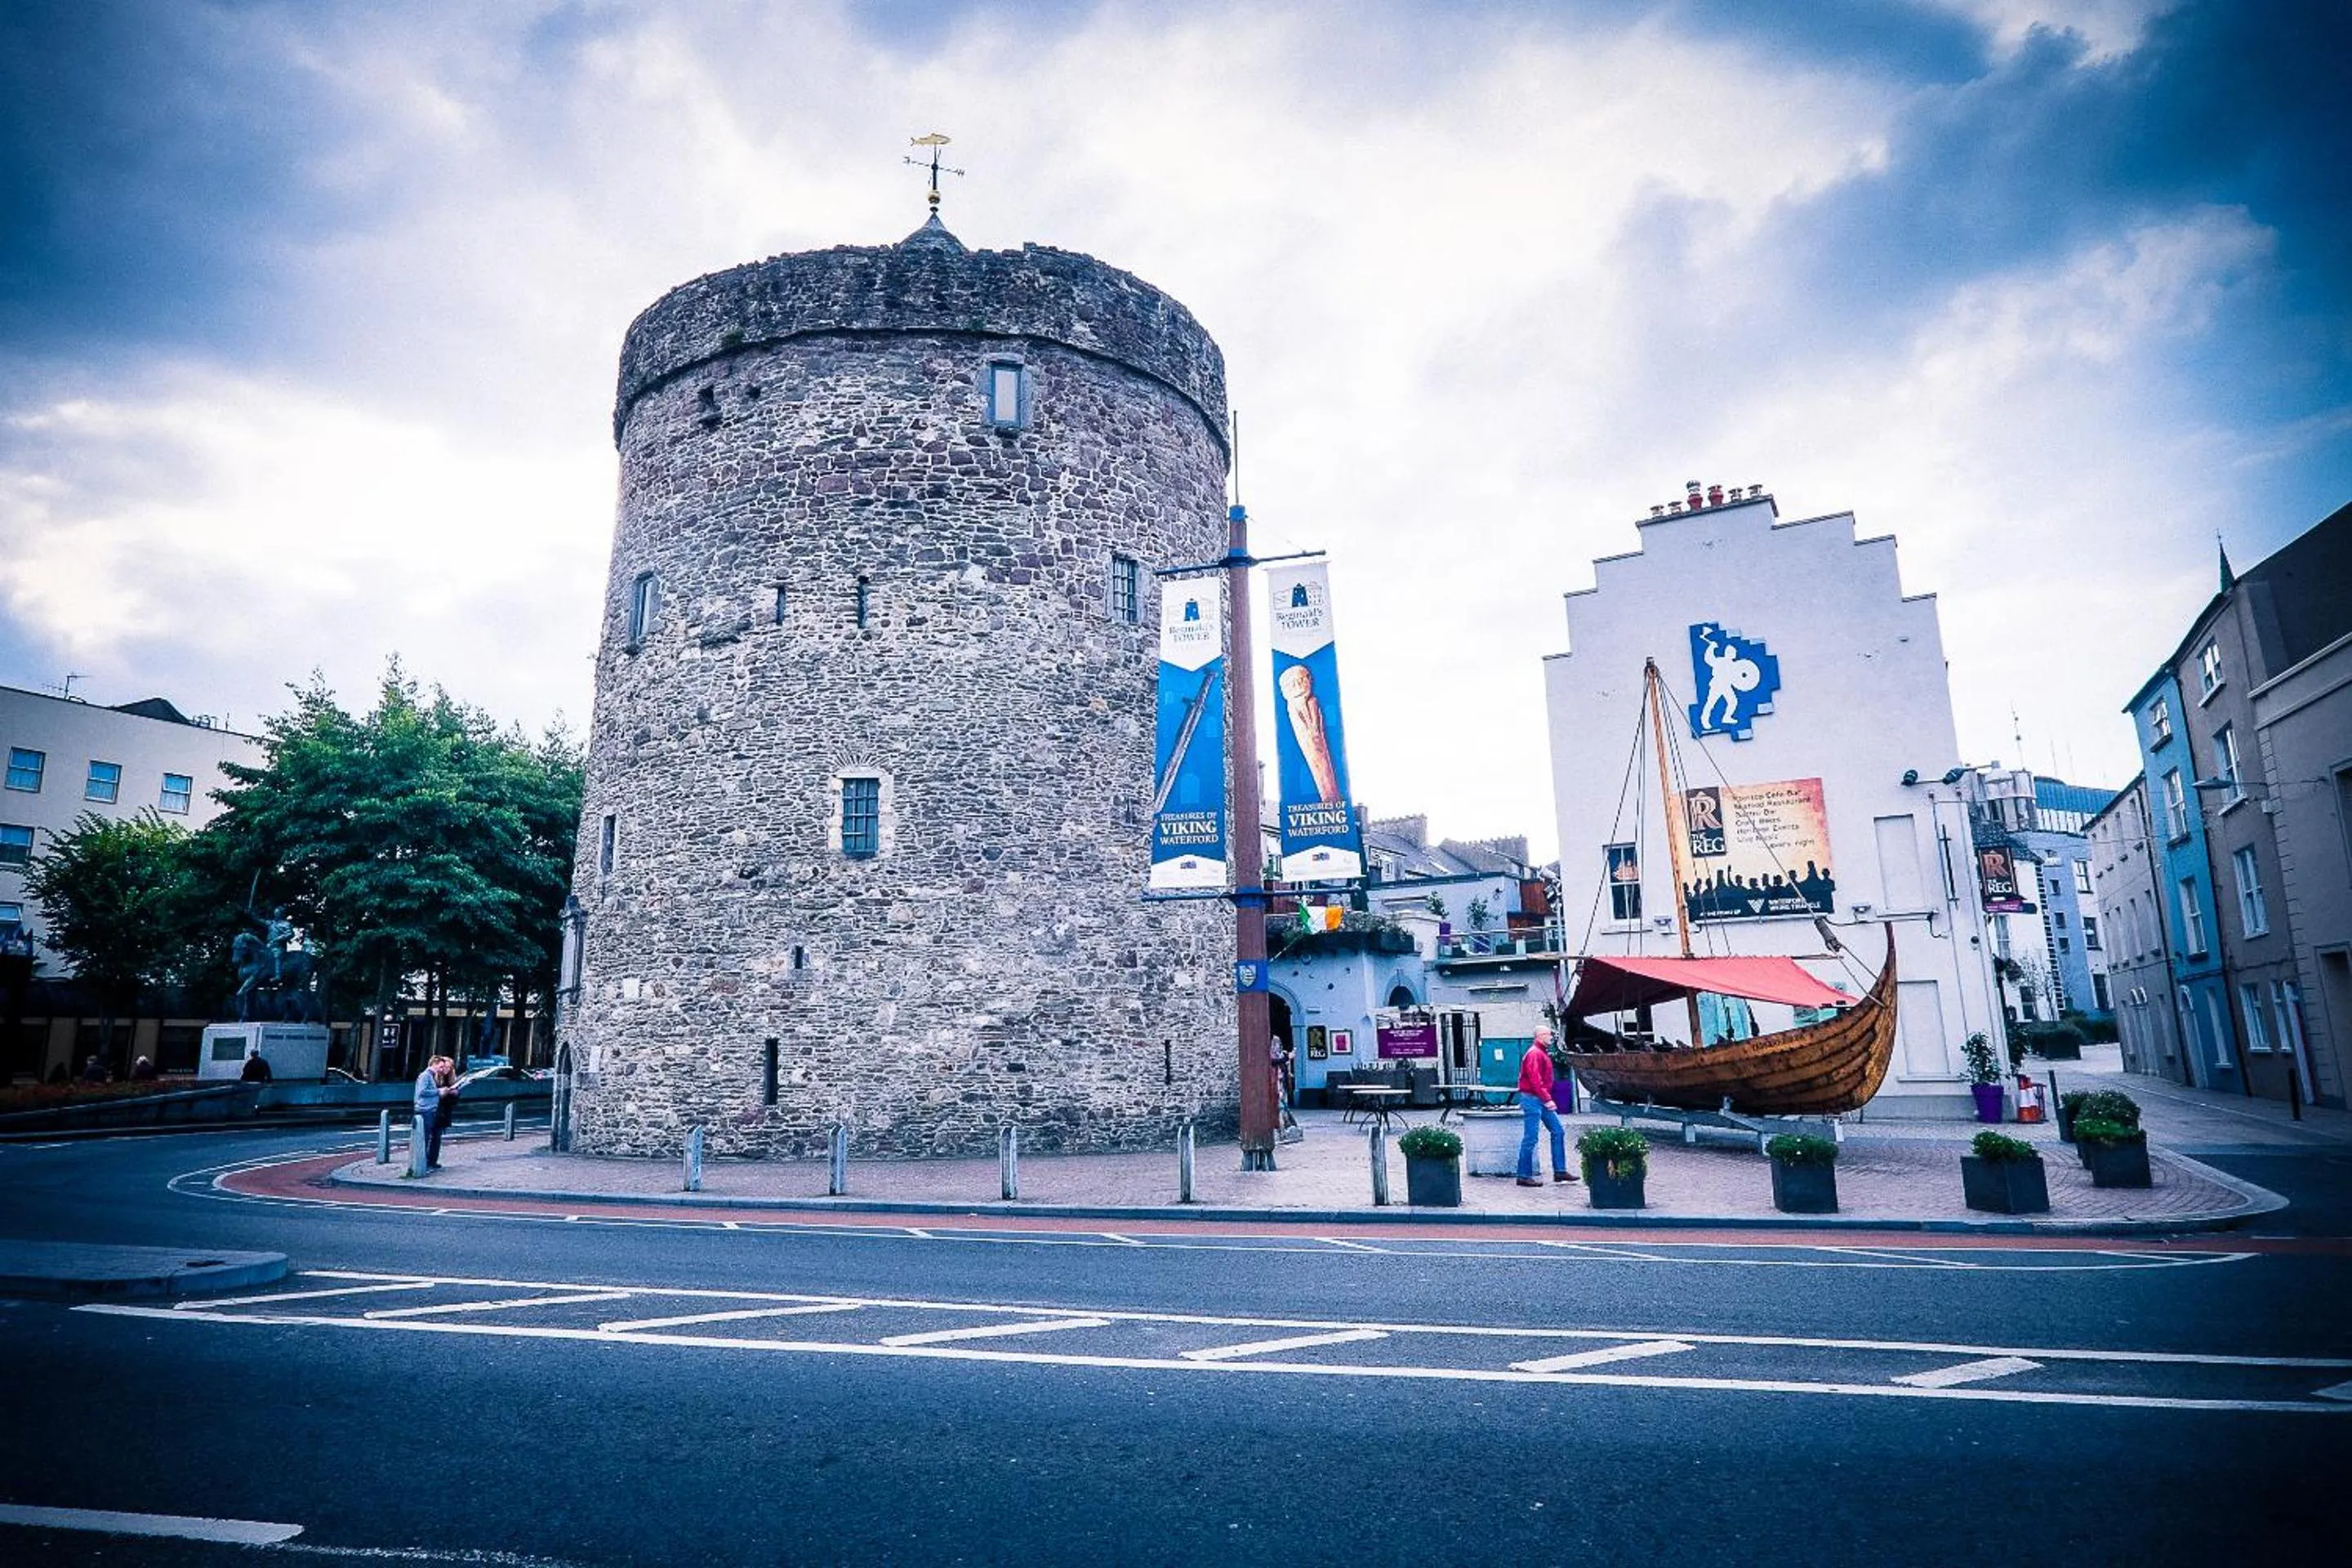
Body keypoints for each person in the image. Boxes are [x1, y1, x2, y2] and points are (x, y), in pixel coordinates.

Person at [1516, 1028, 1574, 1187]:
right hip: (1534, 1099)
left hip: (1537, 1098)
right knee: (1531, 1137)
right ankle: (1523, 1175)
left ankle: (1560, 1171)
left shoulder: (1539, 1052)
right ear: (1540, 1037)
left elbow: (1538, 1080)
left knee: (1557, 1131)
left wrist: (1546, 1099)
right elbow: (1535, 1079)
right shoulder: (1535, 1053)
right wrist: (1547, 1099)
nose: (1552, 1037)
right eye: (1549, 1034)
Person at [414, 1054, 456, 1170]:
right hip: (425, 1110)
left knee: (429, 1137)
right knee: (425, 1138)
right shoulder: (426, 1076)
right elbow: (422, 1092)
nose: (442, 1070)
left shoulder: (430, 1076)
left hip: (430, 1110)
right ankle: (422, 1164)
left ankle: (426, 1163)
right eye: (441, 1067)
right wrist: (438, 1091)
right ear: (434, 1064)